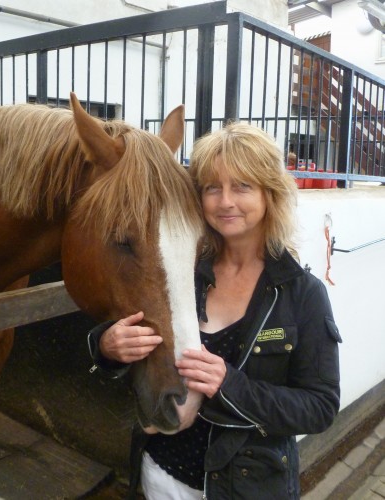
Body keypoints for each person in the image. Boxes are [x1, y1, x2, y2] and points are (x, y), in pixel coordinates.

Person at [87, 122, 341, 499]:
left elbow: (320, 407)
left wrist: (229, 385)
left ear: (269, 193)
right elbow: (133, 334)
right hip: (159, 473)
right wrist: (106, 347)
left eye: (242, 186)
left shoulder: (302, 295)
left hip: (246, 488)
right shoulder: (184, 270)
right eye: (211, 188)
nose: (225, 201)